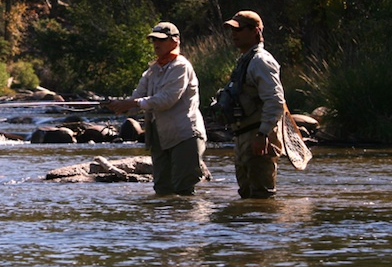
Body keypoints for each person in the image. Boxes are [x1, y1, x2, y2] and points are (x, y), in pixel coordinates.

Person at [109, 22, 208, 196]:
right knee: (162, 190)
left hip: (185, 136)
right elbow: (137, 97)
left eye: (161, 40)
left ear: (175, 42)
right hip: (160, 138)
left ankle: (188, 224)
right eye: (154, 39)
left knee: (183, 190)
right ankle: (163, 224)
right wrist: (119, 106)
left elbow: (166, 100)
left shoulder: (181, 66)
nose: (156, 44)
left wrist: (132, 104)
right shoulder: (152, 71)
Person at [221, 10, 286, 199]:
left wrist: (263, 133)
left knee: (262, 197)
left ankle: (264, 229)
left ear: (255, 31)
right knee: (247, 195)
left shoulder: (261, 61)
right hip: (244, 137)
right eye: (232, 30)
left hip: (258, 136)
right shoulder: (246, 60)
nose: (234, 34)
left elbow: (275, 101)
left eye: (239, 30)